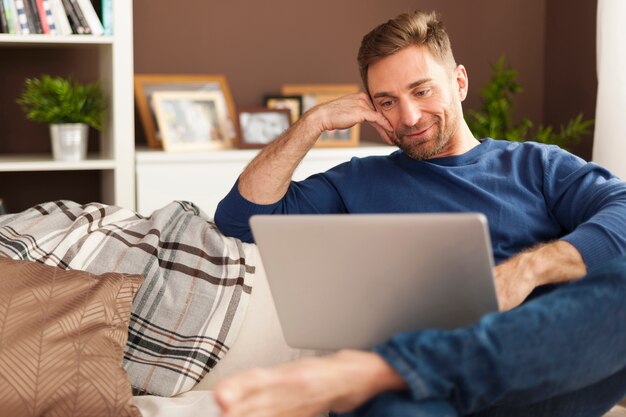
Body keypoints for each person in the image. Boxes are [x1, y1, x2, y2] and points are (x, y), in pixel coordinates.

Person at [213, 10, 626, 417]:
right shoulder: (356, 181)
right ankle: (399, 372)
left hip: (537, 382)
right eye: (387, 101)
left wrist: (528, 270)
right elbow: (241, 218)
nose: (408, 117)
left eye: (422, 91)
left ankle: (390, 370)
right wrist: (313, 121)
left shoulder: (536, 165)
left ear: (459, 82)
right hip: (417, 397)